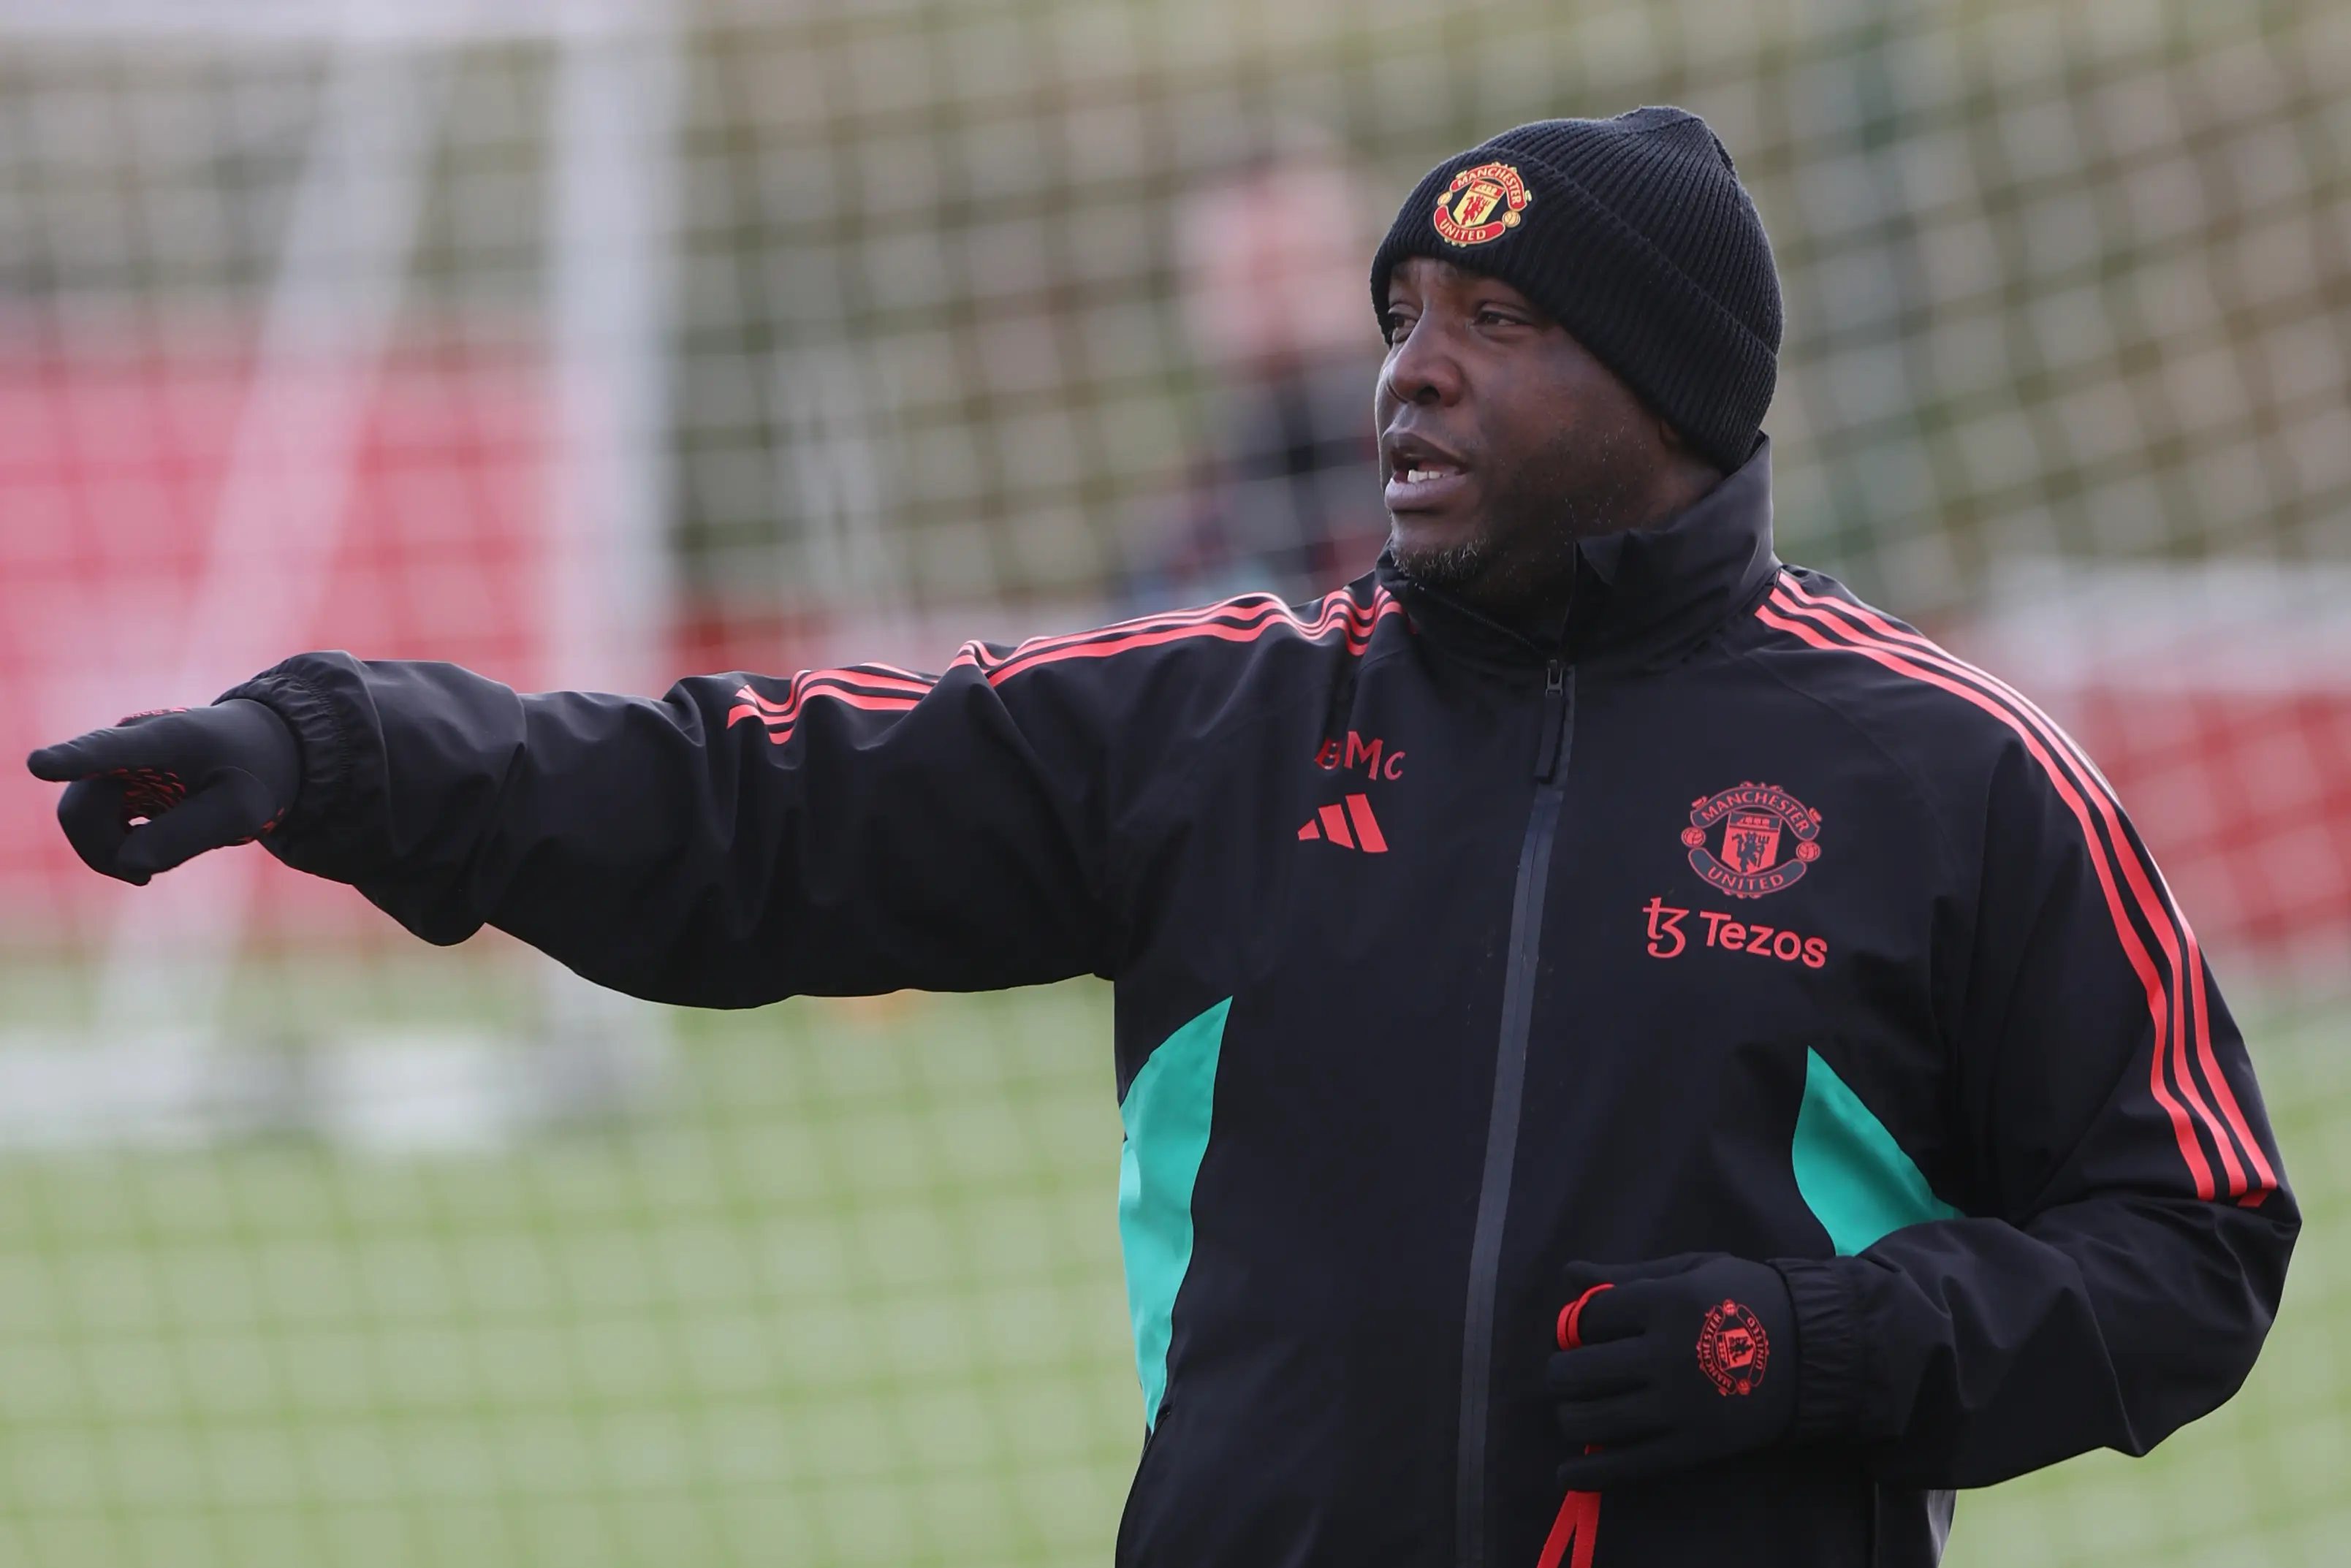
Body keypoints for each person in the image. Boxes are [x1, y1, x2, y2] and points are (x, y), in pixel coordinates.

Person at [27, 108, 2295, 1568]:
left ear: (1684, 400)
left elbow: (2194, 1241)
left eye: (1499, 322)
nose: (1412, 370)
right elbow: (747, 806)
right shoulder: (1218, 717)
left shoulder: (1960, 771)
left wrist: (1818, 1352)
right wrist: (334, 754)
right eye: (1405, 313)